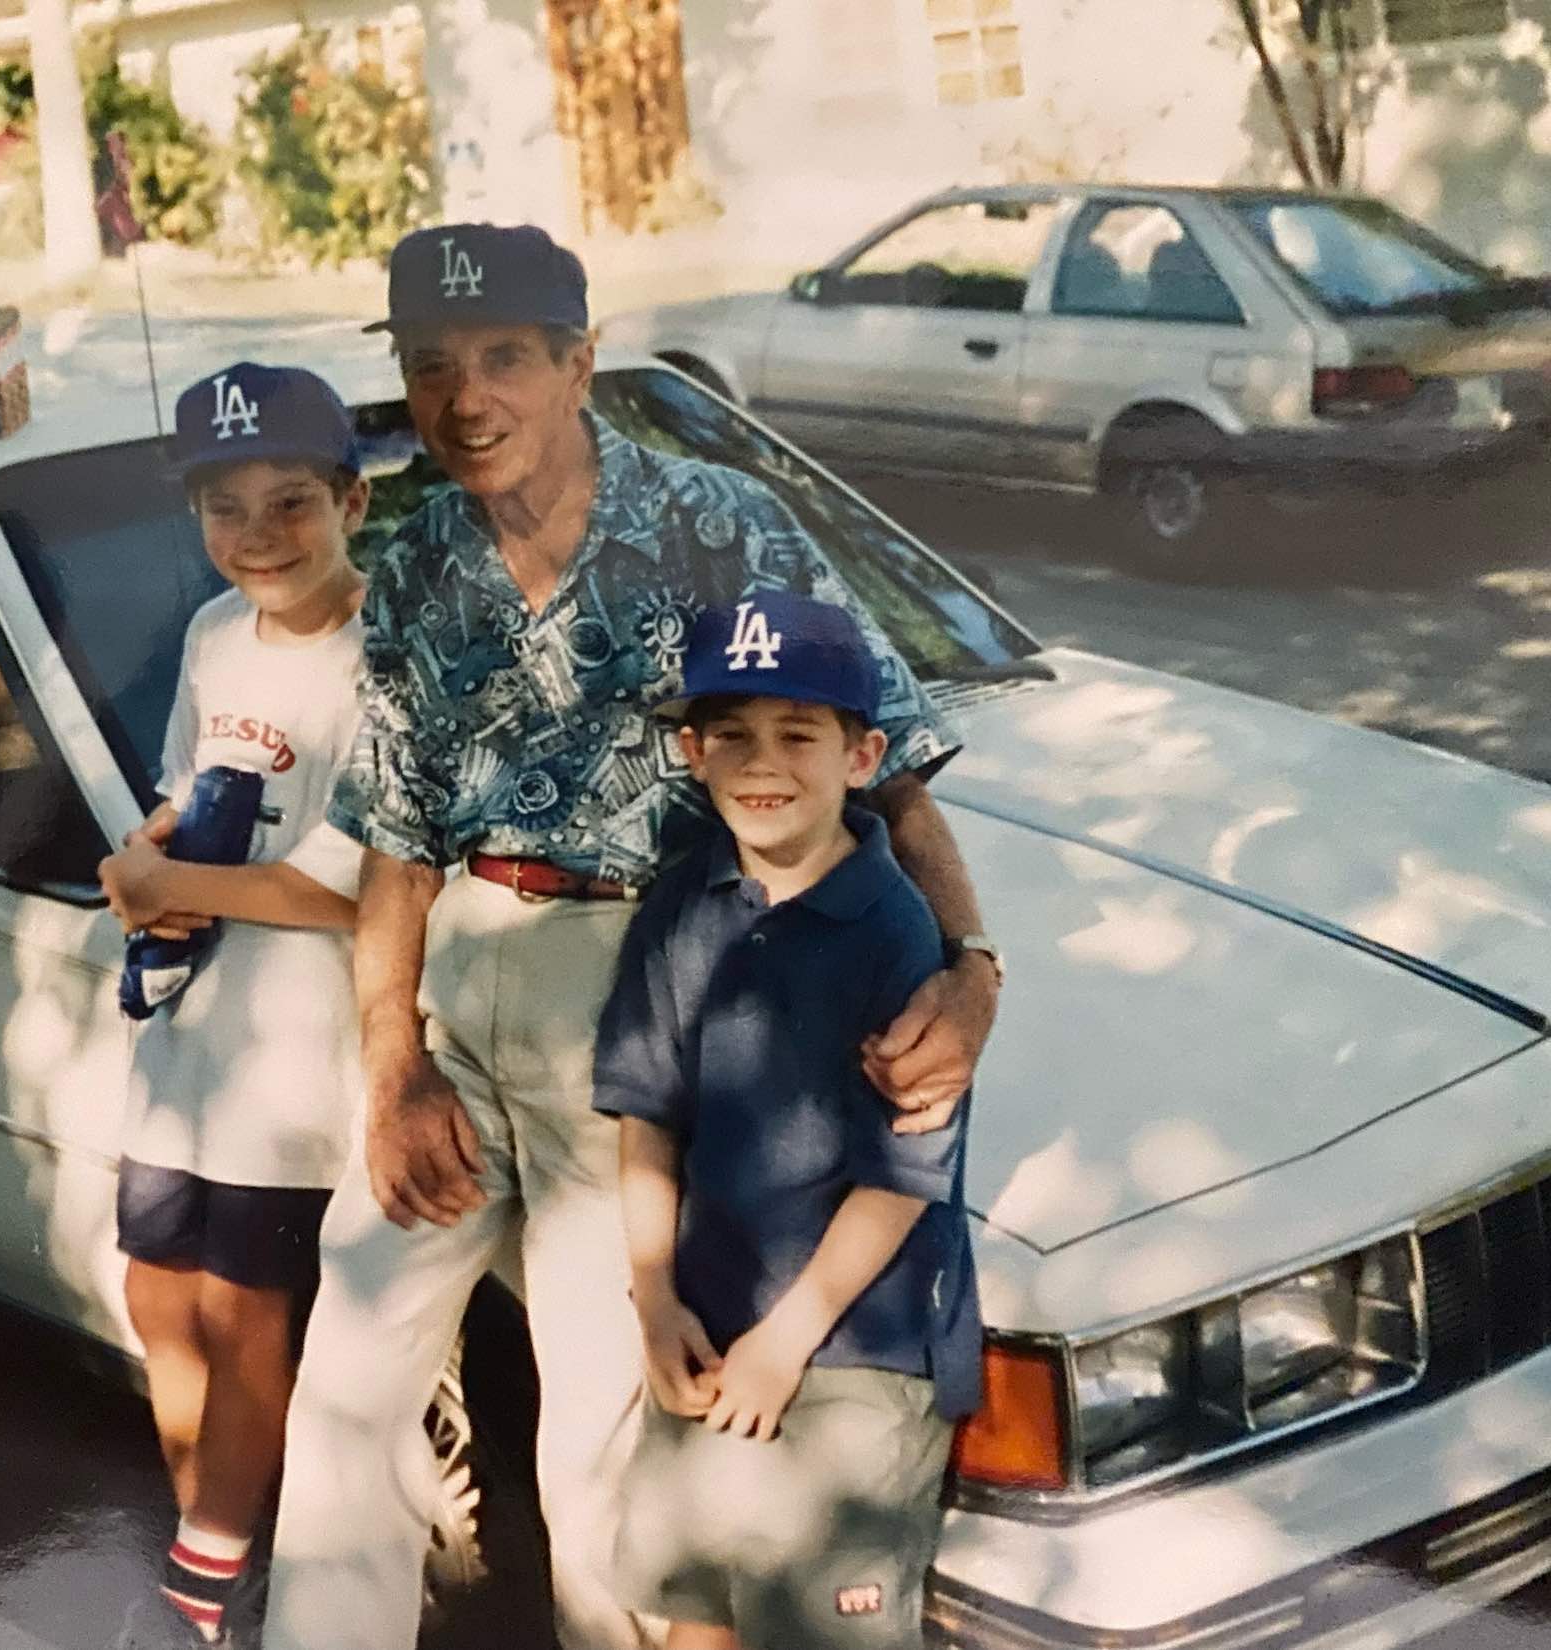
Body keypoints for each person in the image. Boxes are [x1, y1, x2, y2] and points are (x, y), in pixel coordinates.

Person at [263, 222, 1001, 1650]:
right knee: (346, 1379)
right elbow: (397, 843)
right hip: (463, 976)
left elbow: (889, 768)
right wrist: (391, 1061)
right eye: (431, 368)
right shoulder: (415, 563)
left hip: (642, 999)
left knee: (601, 1432)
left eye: (505, 360)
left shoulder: (719, 524)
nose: (466, 399)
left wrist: (972, 971)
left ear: (580, 362)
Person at [598, 591, 981, 1650]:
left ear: (862, 757)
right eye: (734, 736)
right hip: (713, 1321)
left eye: (798, 735)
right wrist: (655, 1297)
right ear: (692, 751)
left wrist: (788, 1339)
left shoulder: (896, 934)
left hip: (851, 1343)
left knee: (812, 1632)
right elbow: (647, 1114)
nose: (762, 764)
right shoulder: (682, 904)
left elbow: (902, 1175)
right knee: (697, 1611)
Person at [99, 361, 373, 1648]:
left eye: (292, 503)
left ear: (355, 504)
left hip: (301, 1050)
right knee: (156, 1290)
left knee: (244, 1313)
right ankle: (216, 1542)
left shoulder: (383, 662)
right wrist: (138, 856)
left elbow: (340, 892)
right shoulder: (216, 635)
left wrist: (169, 876)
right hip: (193, 1028)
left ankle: (200, 1593)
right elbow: (181, 782)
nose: (258, 537)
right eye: (226, 508)